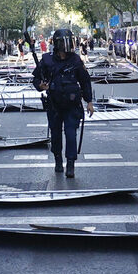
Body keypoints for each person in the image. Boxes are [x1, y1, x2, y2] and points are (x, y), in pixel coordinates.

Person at [32, 28, 94, 177]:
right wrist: (40, 85)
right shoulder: (47, 60)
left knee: (71, 134)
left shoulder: (75, 60)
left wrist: (89, 101)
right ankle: (58, 160)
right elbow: (36, 78)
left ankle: (71, 163)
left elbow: (85, 81)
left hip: (72, 105)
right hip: (54, 104)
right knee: (55, 134)